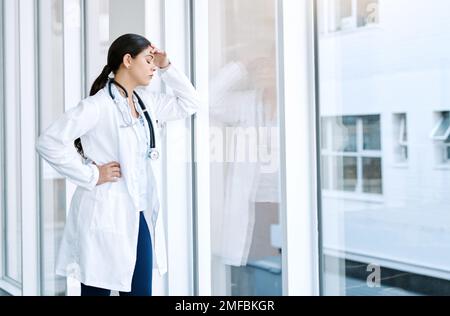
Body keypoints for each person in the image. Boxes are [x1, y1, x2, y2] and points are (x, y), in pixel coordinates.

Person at [35, 33, 201, 296]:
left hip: (139, 214)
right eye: (148, 60)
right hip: (104, 212)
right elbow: (49, 142)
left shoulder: (147, 103)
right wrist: (91, 174)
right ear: (127, 60)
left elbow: (190, 103)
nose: (153, 67)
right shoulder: (97, 106)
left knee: (139, 292)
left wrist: (167, 66)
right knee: (96, 292)